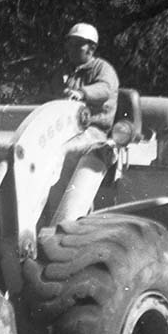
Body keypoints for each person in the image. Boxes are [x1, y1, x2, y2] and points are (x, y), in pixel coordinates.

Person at [54, 22, 120, 224]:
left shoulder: (102, 69)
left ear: (91, 48)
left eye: (77, 44)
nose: (71, 49)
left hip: (93, 130)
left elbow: (105, 89)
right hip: (68, 129)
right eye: (70, 44)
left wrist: (82, 93)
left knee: (64, 152)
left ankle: (70, 219)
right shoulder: (69, 71)